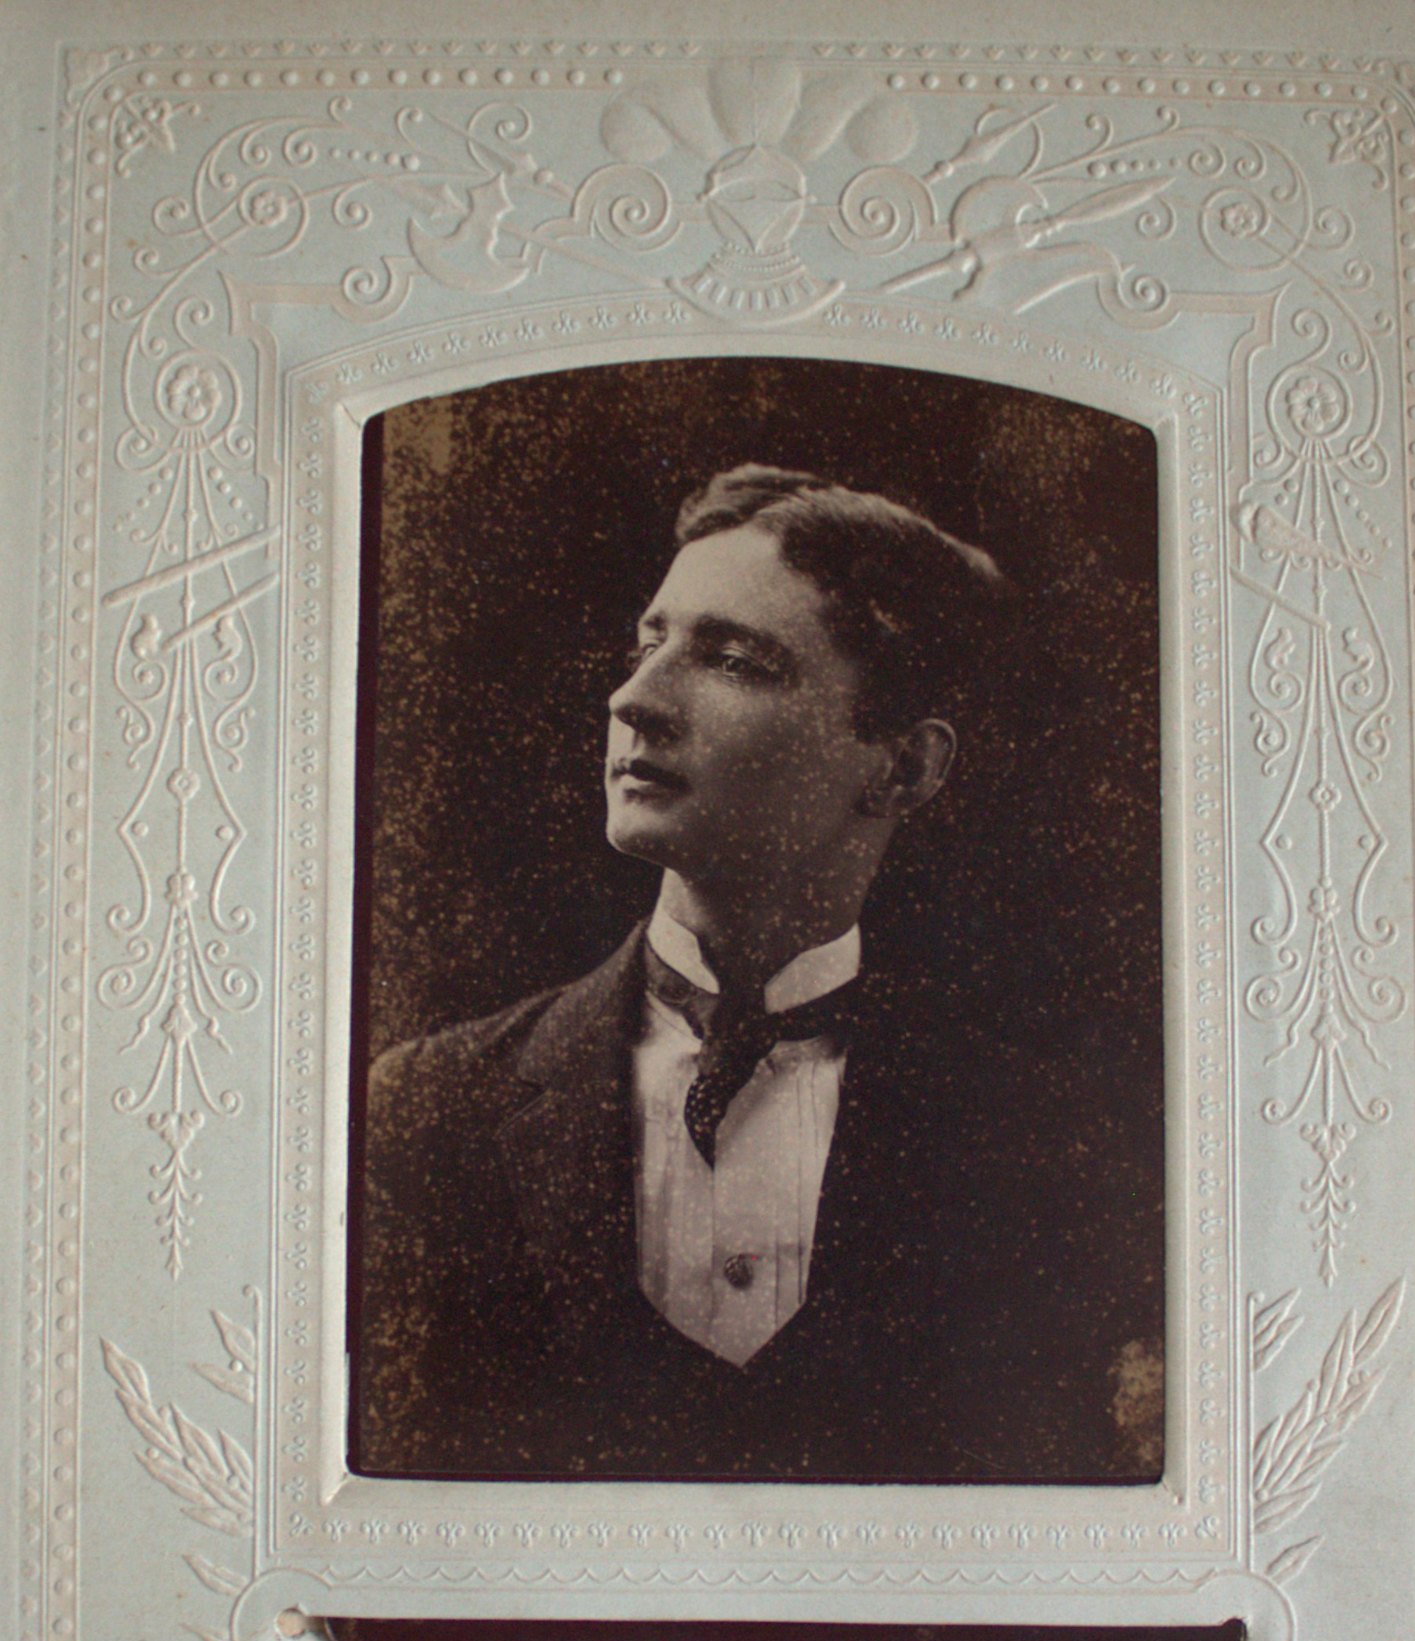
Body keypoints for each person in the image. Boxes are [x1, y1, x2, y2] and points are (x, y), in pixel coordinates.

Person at [353, 465, 1163, 1483]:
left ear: (904, 768)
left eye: (734, 661)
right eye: (648, 644)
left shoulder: (1056, 1147)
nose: (634, 699)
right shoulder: (429, 1110)